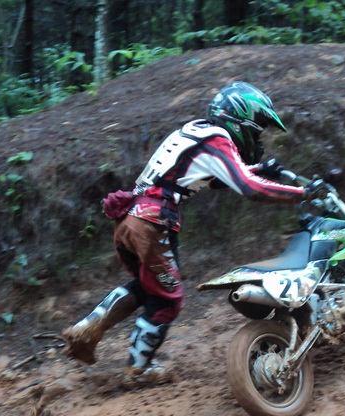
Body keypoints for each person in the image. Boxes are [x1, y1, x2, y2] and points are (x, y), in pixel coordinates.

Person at [62, 81, 326, 388]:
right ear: (241, 121)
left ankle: (86, 328)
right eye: (256, 131)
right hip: (153, 221)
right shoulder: (218, 139)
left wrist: (259, 168)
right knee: (168, 300)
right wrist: (303, 193)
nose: (256, 139)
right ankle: (138, 370)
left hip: (130, 218)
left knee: (148, 287)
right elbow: (249, 188)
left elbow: (215, 178)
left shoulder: (195, 130)